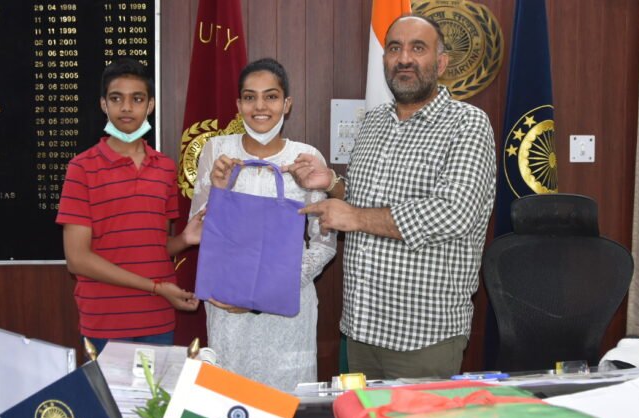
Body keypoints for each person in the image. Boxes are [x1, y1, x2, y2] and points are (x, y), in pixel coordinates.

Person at [284, 15, 496, 379]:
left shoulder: (468, 124)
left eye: (418, 48)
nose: (404, 58)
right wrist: (331, 182)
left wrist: (354, 217)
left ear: (441, 63)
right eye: (395, 48)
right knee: (360, 417)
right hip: (361, 326)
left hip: (424, 335)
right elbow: (365, 198)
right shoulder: (374, 121)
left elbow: (453, 213)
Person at [193, 58, 336, 392]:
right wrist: (219, 190)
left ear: (287, 104)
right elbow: (199, 230)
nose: (260, 106)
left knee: (286, 409)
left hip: (286, 313)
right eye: (250, 97)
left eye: (271, 96)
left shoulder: (306, 157)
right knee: (228, 406)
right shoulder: (217, 151)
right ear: (238, 104)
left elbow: (324, 244)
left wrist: (264, 292)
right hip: (229, 310)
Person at [56, 58, 203, 353]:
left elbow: (155, 247)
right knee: (106, 388)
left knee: (157, 388)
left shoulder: (165, 167)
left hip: (157, 318)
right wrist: (155, 287)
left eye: (136, 99)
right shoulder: (81, 168)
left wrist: (185, 239)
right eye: (116, 98)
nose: (126, 108)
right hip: (105, 321)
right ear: (103, 104)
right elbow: (77, 259)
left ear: (150, 105)